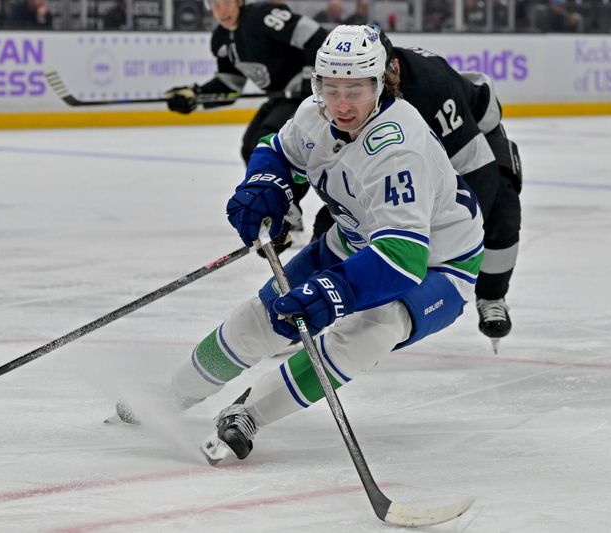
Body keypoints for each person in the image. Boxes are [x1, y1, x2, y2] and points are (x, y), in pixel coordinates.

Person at [165, 24, 485, 464]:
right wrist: (266, 183)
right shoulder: (314, 115)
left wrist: (336, 292)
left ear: (380, 84)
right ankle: (171, 396)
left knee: (373, 330)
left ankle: (249, 414)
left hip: (440, 263)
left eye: (355, 90)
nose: (341, 103)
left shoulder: (399, 147)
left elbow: (404, 257)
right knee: (265, 316)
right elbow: (276, 150)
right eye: (330, 88)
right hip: (354, 237)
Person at [311, 28, 522, 352]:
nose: (346, 97)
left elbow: (475, 167)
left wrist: (452, 237)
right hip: (411, 149)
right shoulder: (351, 92)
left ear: (390, 69)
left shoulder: (432, 87)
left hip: (471, 140)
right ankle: (314, 301)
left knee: (503, 208)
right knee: (350, 215)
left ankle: (493, 295)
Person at [162, 0, 328, 253]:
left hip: (306, 98)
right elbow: (230, 86)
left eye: (225, 3)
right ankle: (284, 207)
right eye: (214, 5)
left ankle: (285, 210)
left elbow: (316, 37)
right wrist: (195, 95)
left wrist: (310, 79)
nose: (221, 11)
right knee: (249, 147)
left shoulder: (263, 16)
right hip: (280, 97)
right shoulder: (221, 39)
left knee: (268, 140)